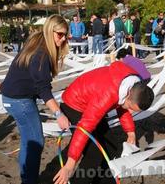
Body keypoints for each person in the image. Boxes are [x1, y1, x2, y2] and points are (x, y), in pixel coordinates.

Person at [54, 56, 154, 184]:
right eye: (131, 107)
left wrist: (130, 131)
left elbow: (122, 107)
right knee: (94, 153)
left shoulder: (134, 83)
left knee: (111, 145)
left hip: (92, 102)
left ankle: (103, 180)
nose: (132, 112)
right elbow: (85, 127)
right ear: (128, 94)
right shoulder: (108, 94)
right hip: (74, 104)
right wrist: (70, 165)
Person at [1, 14, 70, 184]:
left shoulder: (37, 40)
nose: (62, 39)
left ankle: (27, 178)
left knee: (28, 139)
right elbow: (43, 89)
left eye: (65, 35)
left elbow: (29, 76)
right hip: (19, 100)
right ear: (49, 30)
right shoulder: (42, 53)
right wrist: (58, 114)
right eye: (59, 34)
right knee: (36, 141)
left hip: (12, 96)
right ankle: (29, 180)